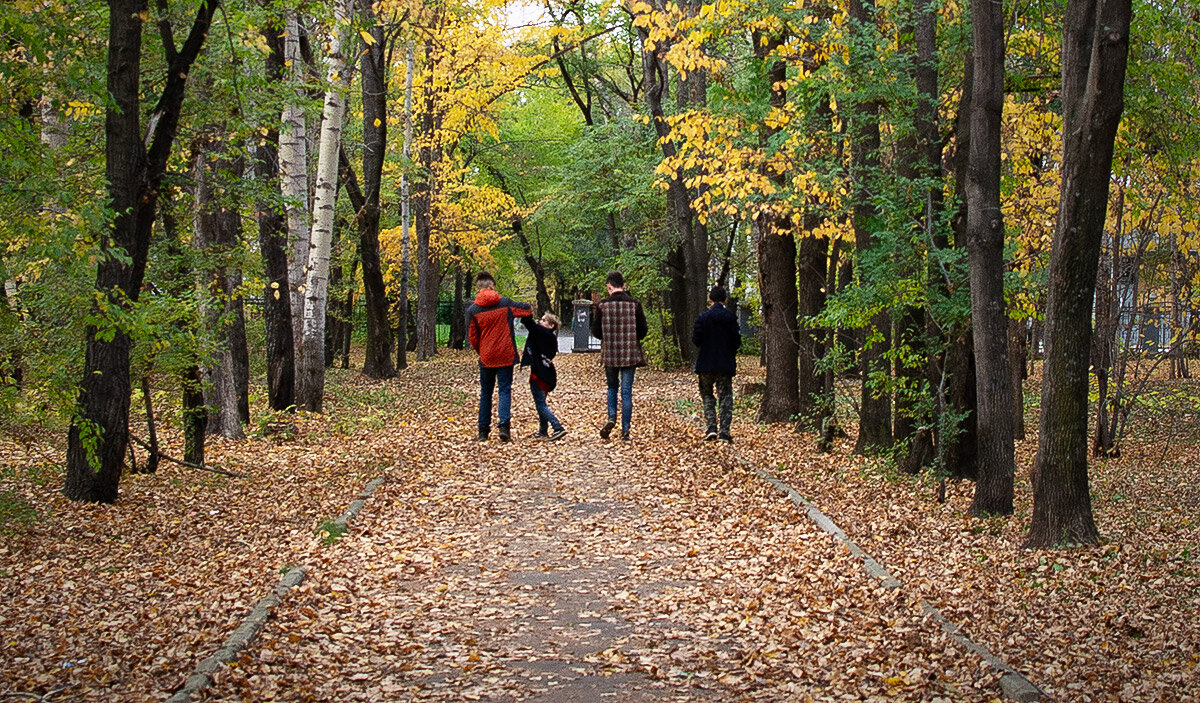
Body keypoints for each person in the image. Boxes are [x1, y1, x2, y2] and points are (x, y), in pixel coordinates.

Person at [466, 272, 532, 441]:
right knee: (504, 390)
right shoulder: (505, 303)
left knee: (486, 392)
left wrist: (481, 351)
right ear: (492, 285)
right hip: (505, 354)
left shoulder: (473, 310)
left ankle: (483, 431)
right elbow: (525, 310)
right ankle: (504, 427)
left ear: (478, 288)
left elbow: (473, 337)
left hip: (487, 356)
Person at [590, 270, 648, 441]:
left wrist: (608, 337)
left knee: (612, 388)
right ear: (623, 286)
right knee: (627, 392)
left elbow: (596, 331)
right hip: (630, 353)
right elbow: (643, 330)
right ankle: (625, 431)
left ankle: (611, 417)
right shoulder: (635, 304)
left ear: (609, 286)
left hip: (610, 354)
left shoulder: (602, 305)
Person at [693, 285, 741, 442]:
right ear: (725, 300)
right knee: (725, 396)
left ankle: (711, 427)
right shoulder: (731, 319)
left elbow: (696, 340)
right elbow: (736, 341)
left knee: (707, 394)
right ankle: (725, 432)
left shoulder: (702, 318)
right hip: (724, 364)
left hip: (705, 363)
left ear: (710, 300)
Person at [521, 312, 567, 441]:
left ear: (551, 325)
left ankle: (557, 426)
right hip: (545, 373)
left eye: (544, 320)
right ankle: (543, 430)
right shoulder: (549, 337)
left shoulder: (542, 334)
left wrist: (525, 311)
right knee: (541, 402)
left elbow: (528, 323)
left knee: (540, 404)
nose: (540, 322)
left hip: (540, 375)